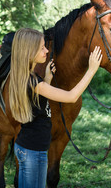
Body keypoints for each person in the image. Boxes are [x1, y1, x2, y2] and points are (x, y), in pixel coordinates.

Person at [9, 28, 102, 188]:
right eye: (42, 48)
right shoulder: (34, 83)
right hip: (34, 153)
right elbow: (72, 96)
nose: (46, 51)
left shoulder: (28, 77)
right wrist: (91, 70)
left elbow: (36, 102)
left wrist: (47, 78)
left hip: (26, 147)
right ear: (29, 52)